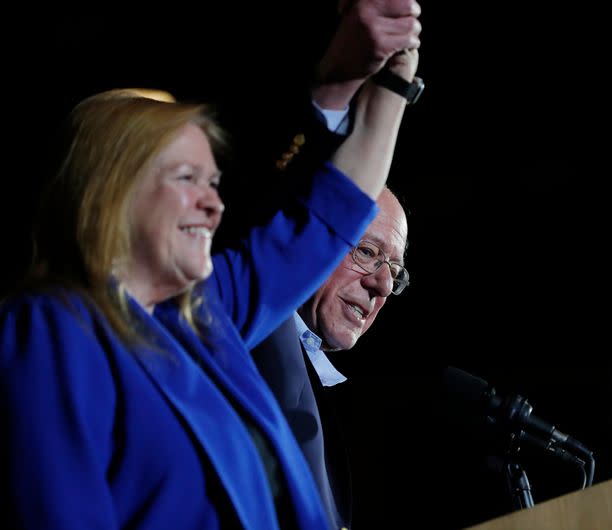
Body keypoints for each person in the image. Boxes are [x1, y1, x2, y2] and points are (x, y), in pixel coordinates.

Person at [0, 41, 419, 530]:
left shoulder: (211, 314)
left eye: (213, 182)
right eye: (187, 178)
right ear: (110, 190)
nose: (213, 205)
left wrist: (394, 78)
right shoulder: (52, 326)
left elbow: (333, 212)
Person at [251, 187, 407, 528]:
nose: (383, 285)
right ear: (311, 236)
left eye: (395, 271)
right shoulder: (250, 333)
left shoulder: (352, 407)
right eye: (367, 251)